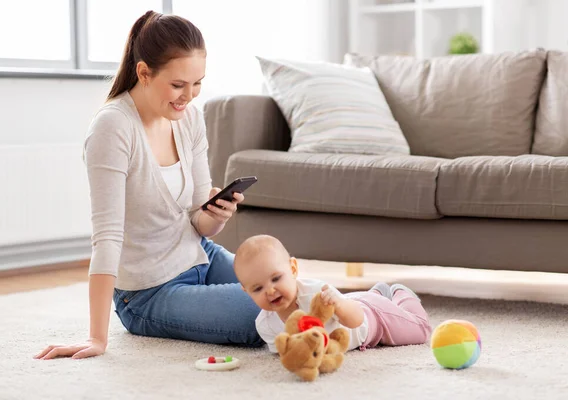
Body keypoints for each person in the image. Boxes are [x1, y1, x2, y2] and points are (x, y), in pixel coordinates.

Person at [35, 11, 263, 360]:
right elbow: (107, 236)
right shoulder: (113, 128)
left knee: (287, 283)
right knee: (263, 309)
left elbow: (200, 225)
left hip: (201, 256)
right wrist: (97, 338)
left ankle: (373, 309)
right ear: (143, 72)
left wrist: (219, 213)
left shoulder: (190, 119)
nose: (189, 96)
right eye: (177, 85)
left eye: (197, 83)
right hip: (149, 292)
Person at [233, 235, 432, 352]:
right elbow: (289, 354)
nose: (270, 290)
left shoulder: (316, 293)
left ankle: (400, 293)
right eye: (257, 288)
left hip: (373, 317)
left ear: (293, 269)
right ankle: (379, 292)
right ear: (246, 291)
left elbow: (355, 321)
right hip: (355, 303)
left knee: (421, 331)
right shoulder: (265, 325)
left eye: (276, 278)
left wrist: (339, 304)